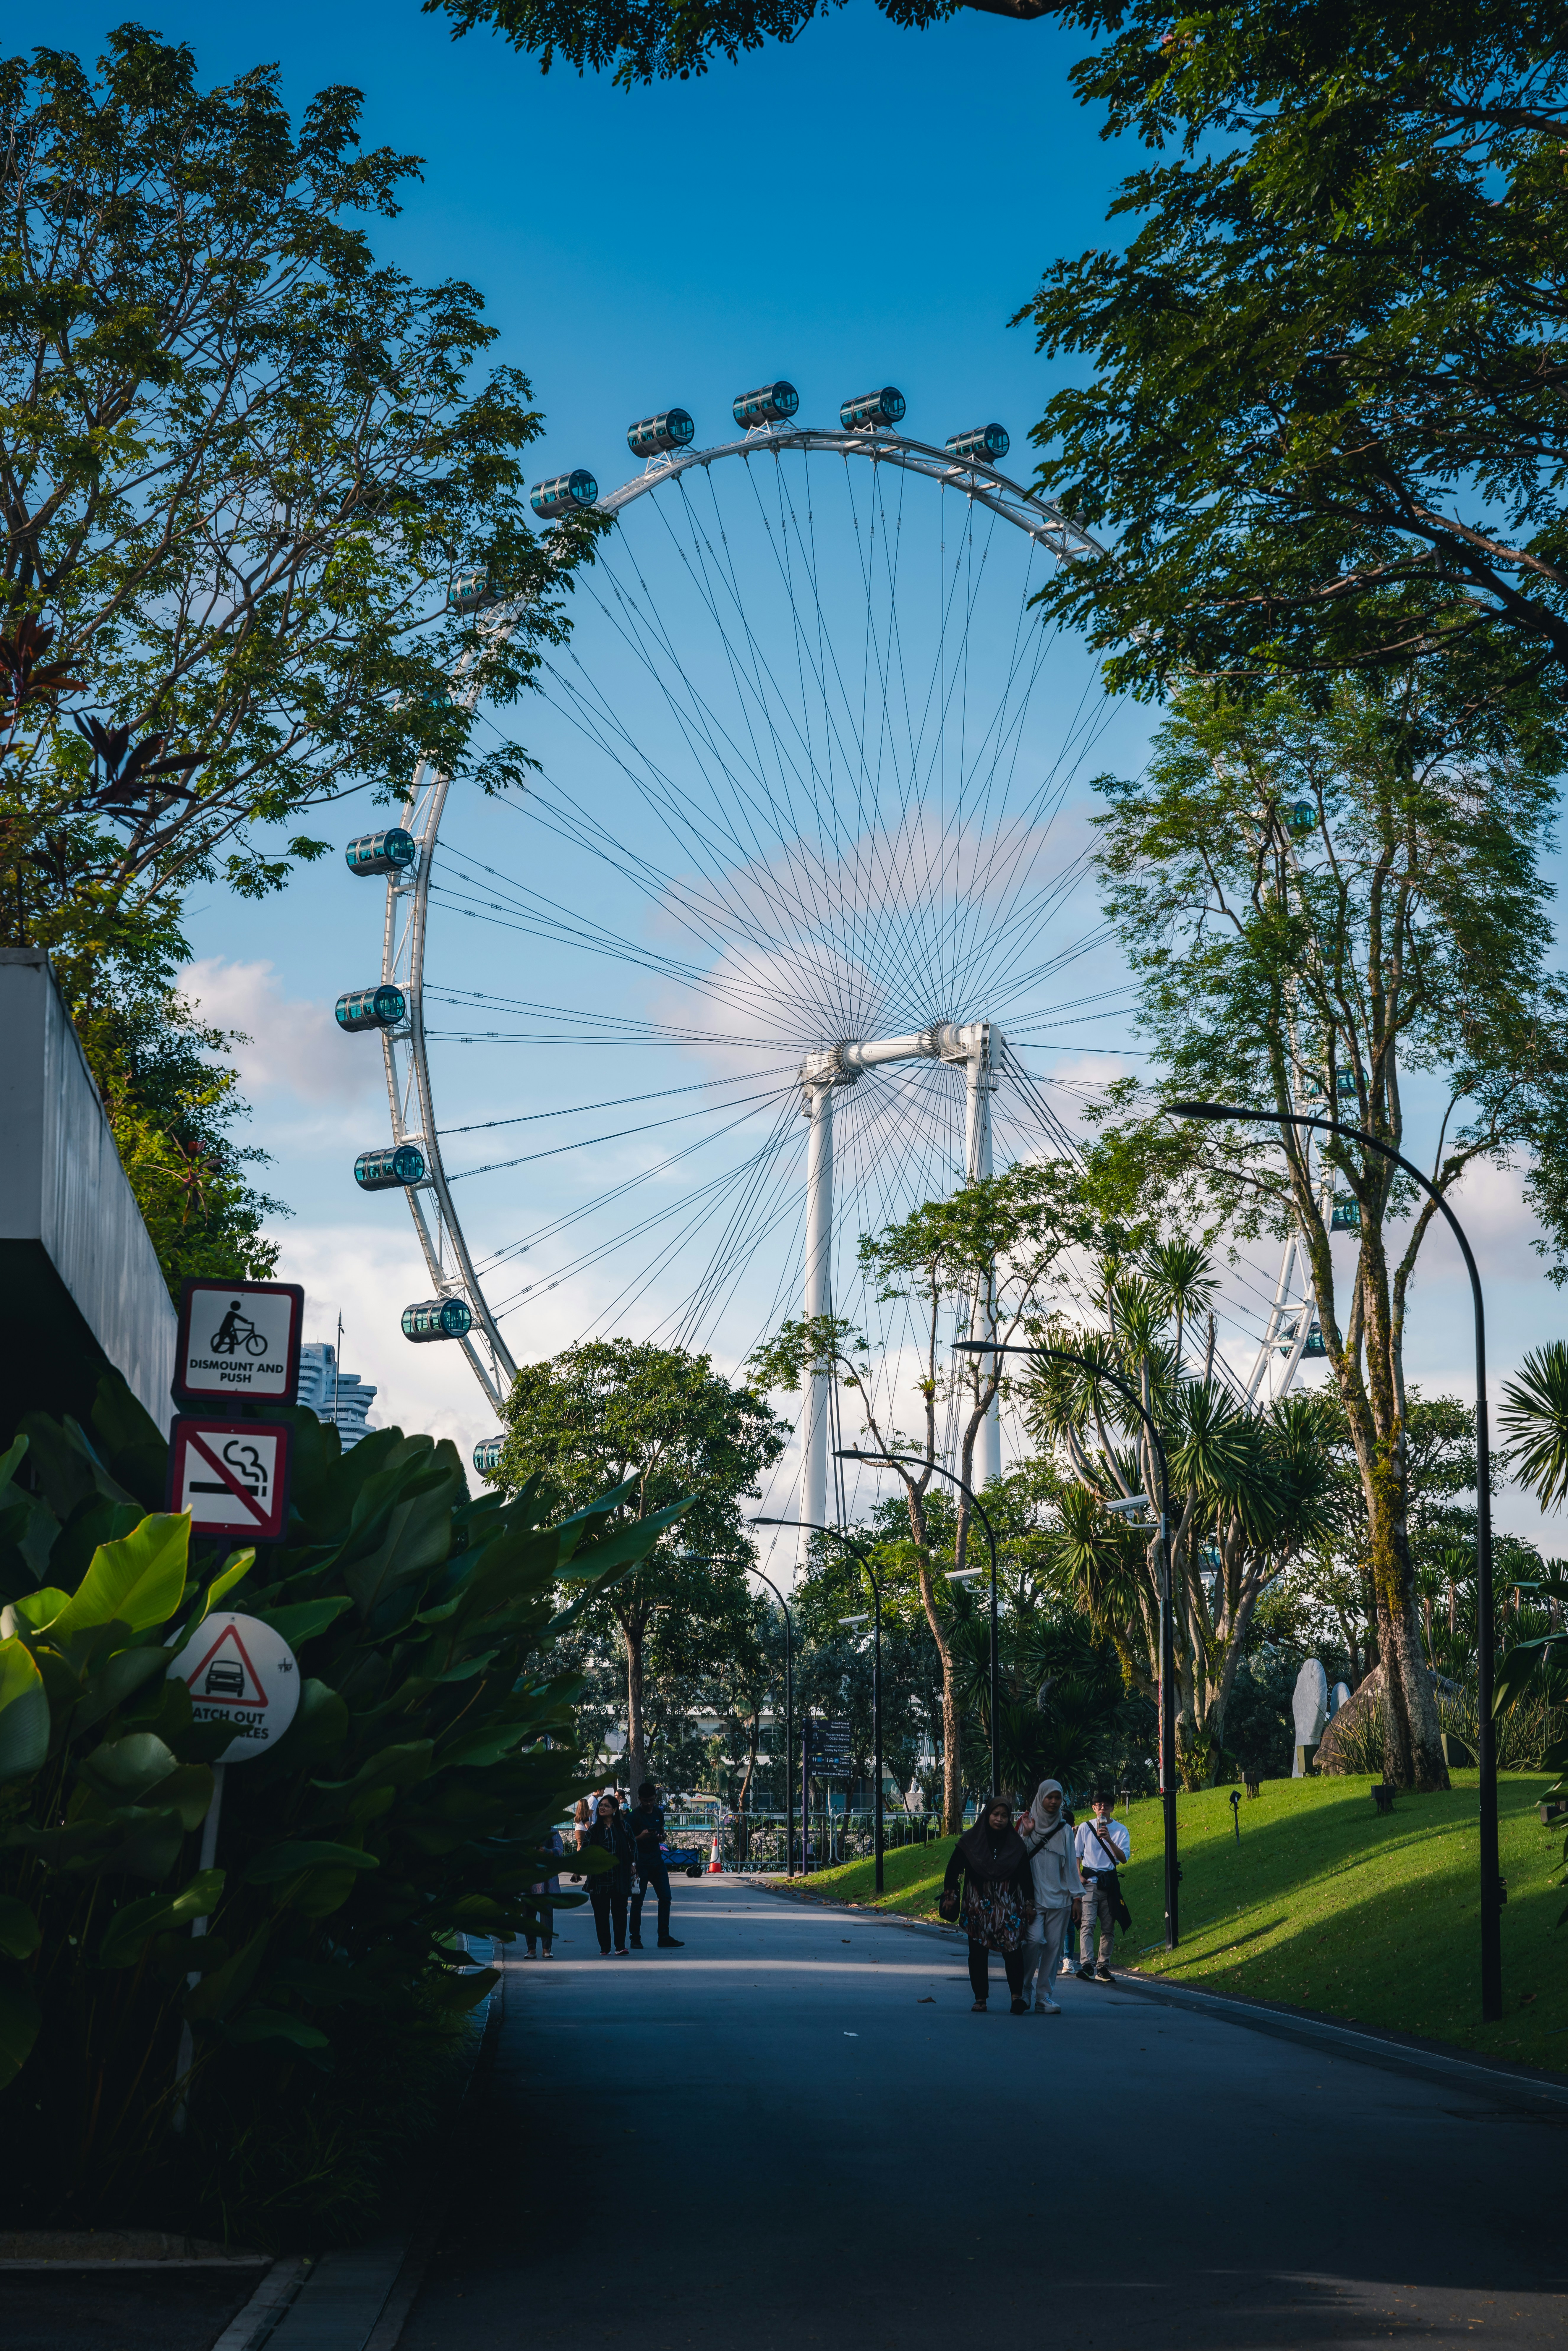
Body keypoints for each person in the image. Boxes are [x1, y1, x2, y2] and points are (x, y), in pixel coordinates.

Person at [939, 1795, 1037, 2013]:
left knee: (1013, 1950)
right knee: (977, 1953)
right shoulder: (972, 1840)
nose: (1000, 1819)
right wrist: (951, 1896)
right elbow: (953, 1870)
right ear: (987, 1815)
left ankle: (1016, 1997)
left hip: (1008, 1908)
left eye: (1004, 1816)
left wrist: (1030, 1904)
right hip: (977, 1908)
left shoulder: (1015, 1844)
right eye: (995, 1815)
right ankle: (980, 1998)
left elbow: (1025, 1877)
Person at [1017, 1777, 1083, 2013]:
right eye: (1050, 1797)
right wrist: (1026, 1834)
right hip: (1033, 1900)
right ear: (1041, 1797)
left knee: (1054, 1948)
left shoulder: (1065, 1829)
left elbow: (1071, 1869)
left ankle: (1044, 1996)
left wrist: (1077, 1899)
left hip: (1061, 1899)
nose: (1054, 1802)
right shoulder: (1028, 1825)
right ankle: (1024, 1989)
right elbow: (1016, 1858)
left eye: (1058, 1798)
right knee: (1033, 1942)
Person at [1074, 1791, 1130, 1981]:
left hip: (1110, 1884)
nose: (1102, 1809)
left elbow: (1123, 1859)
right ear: (1094, 1808)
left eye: (1106, 1806)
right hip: (1090, 1883)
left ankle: (1103, 1967)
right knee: (1087, 1924)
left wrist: (1109, 1839)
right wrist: (1079, 1875)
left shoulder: (1121, 1830)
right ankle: (1087, 1964)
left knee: (1108, 1926)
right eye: (1099, 1806)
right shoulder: (1085, 1827)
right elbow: (1077, 1854)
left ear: (1113, 1808)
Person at [626, 1780, 683, 1949]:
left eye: (652, 1800)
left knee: (666, 1898)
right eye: (646, 1801)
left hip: (657, 1861)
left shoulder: (658, 1813)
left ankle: (664, 1936)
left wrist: (661, 1837)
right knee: (638, 1902)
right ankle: (635, 1938)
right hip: (640, 1863)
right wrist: (640, 1838)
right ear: (639, 1799)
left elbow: (662, 1833)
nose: (649, 1804)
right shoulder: (633, 1817)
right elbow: (627, 1842)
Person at [585, 1794, 635, 1956]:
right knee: (601, 1915)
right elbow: (585, 1852)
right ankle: (605, 1947)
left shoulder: (624, 1827)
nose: (602, 1808)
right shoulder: (593, 1830)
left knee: (620, 1913)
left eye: (607, 1806)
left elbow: (633, 1846)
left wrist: (634, 1865)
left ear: (615, 1810)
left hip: (619, 1877)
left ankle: (620, 1946)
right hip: (599, 1879)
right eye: (601, 1806)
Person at [527, 1824, 564, 1958]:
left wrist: (548, 1852)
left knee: (547, 1917)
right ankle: (531, 1949)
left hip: (548, 1882)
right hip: (529, 1880)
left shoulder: (552, 1832)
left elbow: (560, 1850)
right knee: (529, 1916)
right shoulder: (527, 1831)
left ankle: (546, 1949)